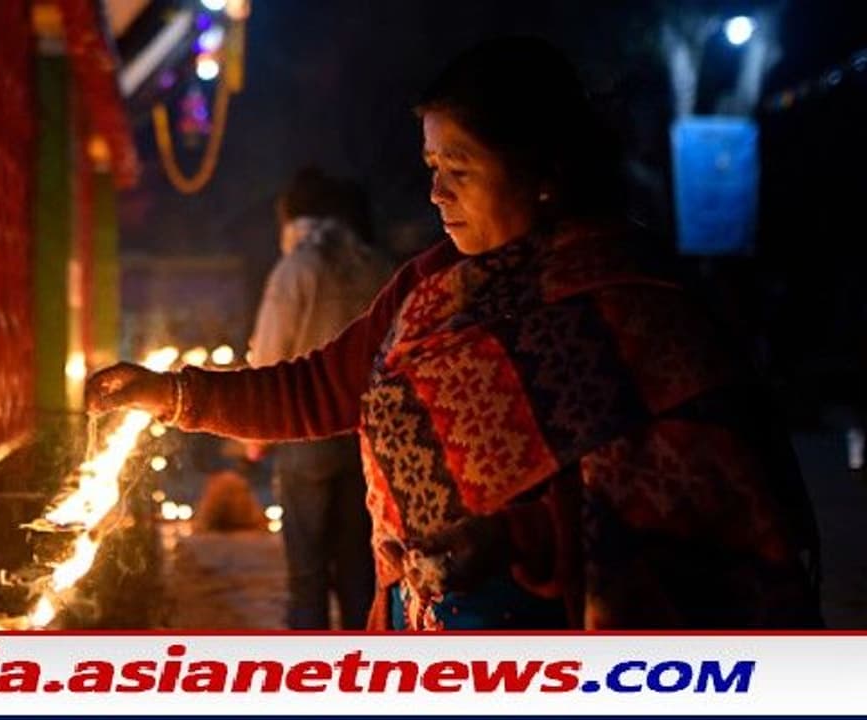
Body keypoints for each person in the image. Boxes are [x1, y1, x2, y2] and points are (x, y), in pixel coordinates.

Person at [87, 36, 822, 630]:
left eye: (460, 170)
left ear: (542, 171)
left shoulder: (637, 305)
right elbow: (318, 388)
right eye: (432, 166)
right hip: (426, 630)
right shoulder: (427, 288)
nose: (437, 192)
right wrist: (169, 395)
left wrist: (517, 539)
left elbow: (698, 507)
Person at [248, 167, 392, 629]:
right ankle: (364, 663)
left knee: (306, 574)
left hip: (305, 434)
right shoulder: (376, 266)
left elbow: (269, 357)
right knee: (359, 571)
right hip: (366, 437)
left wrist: (254, 430)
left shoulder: (295, 270)